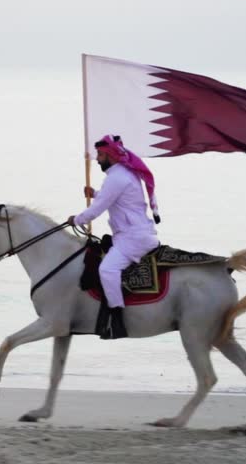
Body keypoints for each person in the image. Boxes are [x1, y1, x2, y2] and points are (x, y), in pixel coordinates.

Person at [67, 135, 160, 340]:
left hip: (132, 238)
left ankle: (117, 318)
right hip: (133, 234)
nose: (97, 159)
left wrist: (76, 220)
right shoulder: (123, 174)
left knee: (107, 269)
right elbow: (116, 198)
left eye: (100, 155)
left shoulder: (116, 178)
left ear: (109, 155)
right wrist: (96, 193)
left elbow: (95, 211)